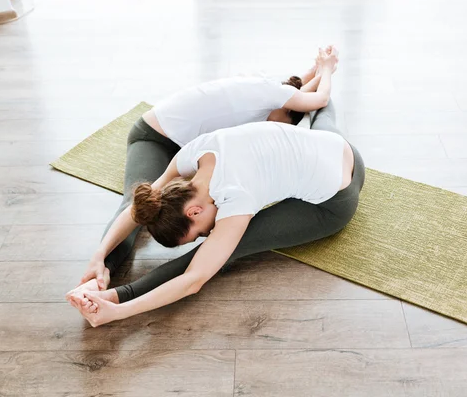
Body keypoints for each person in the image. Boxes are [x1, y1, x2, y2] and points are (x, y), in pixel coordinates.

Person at [67, 100, 365, 328]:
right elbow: (138, 207)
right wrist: (100, 255)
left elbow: (194, 278)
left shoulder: (235, 196)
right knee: (322, 113)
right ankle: (315, 84)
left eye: (198, 233)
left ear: (194, 211)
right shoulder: (196, 153)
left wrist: (118, 309)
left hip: (336, 199)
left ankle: (122, 294)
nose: (207, 234)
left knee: (234, 246)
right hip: (337, 145)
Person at [71, 46, 340, 293]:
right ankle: (98, 271)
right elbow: (318, 98)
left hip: (186, 149)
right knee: (138, 205)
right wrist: (327, 67)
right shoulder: (270, 94)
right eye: (289, 122)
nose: (283, 128)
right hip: (155, 137)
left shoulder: (271, 94)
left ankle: (102, 275)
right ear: (286, 105)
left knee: (153, 208)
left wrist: (315, 71)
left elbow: (296, 91)